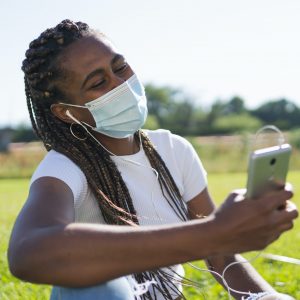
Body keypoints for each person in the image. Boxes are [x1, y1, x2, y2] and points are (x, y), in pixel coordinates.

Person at [7, 19, 298, 300]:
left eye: (120, 67)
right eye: (98, 82)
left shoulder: (173, 149)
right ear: (66, 112)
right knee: (101, 289)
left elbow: (220, 253)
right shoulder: (64, 167)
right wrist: (213, 233)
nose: (121, 83)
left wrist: (264, 296)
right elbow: (27, 252)